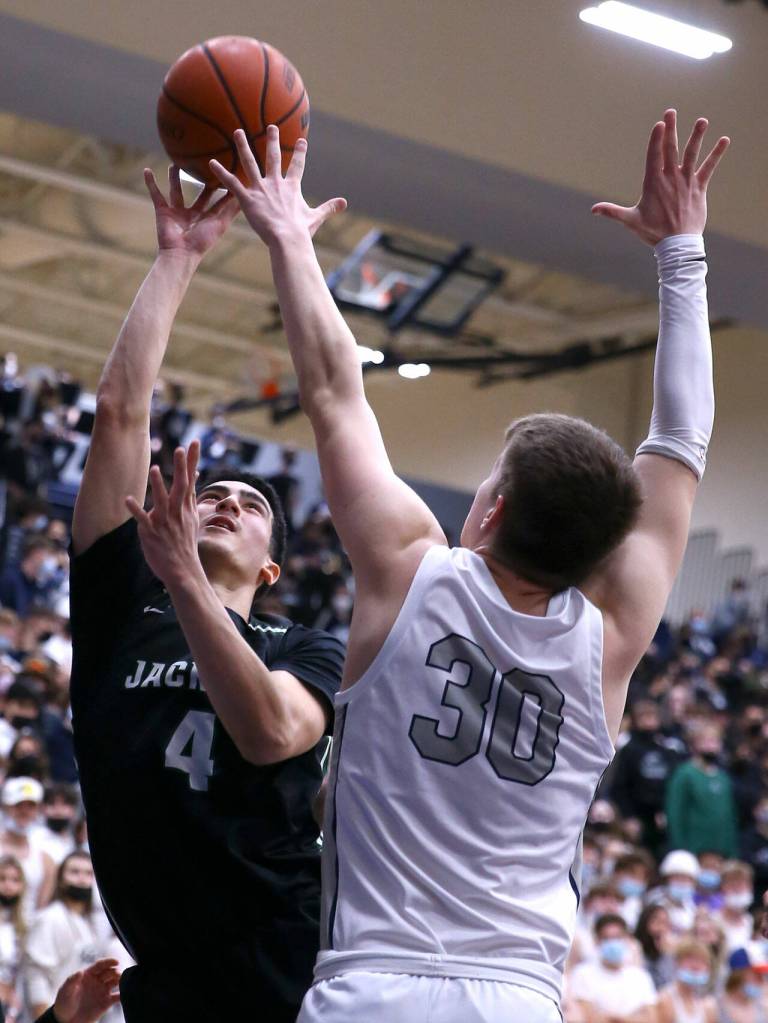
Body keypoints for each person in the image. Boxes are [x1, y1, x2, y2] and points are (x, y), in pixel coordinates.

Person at [211, 106, 729, 1023]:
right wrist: (681, 255)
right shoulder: (612, 637)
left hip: (372, 980)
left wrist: (290, 238)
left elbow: (334, 388)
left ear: (486, 512)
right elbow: (682, 438)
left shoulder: (412, 569)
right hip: (518, 1000)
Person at [68, 166, 345, 1023]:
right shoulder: (124, 608)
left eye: (253, 505)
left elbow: (268, 734)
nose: (227, 500)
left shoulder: (307, 647)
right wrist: (178, 257)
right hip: (168, 964)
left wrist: (189, 578)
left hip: (286, 952)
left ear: (269, 570)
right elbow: (119, 412)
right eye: (215, 492)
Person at [26, 852, 117, 1020]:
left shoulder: (87, 922)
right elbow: (36, 976)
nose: (82, 879)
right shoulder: (50, 918)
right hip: (55, 1016)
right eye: (74, 872)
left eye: (88, 874)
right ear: (61, 879)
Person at [666, 724, 739, 857]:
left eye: (715, 741)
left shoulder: (723, 777)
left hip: (720, 850)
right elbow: (675, 812)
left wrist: (732, 850)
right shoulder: (685, 773)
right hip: (693, 847)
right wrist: (680, 847)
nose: (711, 746)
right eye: (706, 741)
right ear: (694, 744)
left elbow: (730, 816)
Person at [569, 914, 657, 1022]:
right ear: (596, 941)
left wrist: (613, 1018)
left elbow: (651, 1018)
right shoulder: (582, 974)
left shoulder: (641, 977)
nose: (612, 943)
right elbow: (586, 1017)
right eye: (606, 938)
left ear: (627, 939)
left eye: (617, 938)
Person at [0, 778, 55, 922]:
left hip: (28, 931)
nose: (24, 811)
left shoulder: (45, 858)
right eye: (18, 805)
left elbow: (42, 906)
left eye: (31, 806)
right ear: (5, 807)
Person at [656, 939, 717, 1023]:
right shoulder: (664, 1000)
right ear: (677, 963)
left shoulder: (708, 1005)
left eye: (702, 961)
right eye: (690, 959)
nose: (696, 966)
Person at [0, 856, 26, 1022]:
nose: (8, 885)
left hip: (13, 1002)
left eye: (15, 880)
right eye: (2, 878)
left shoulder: (23, 924)